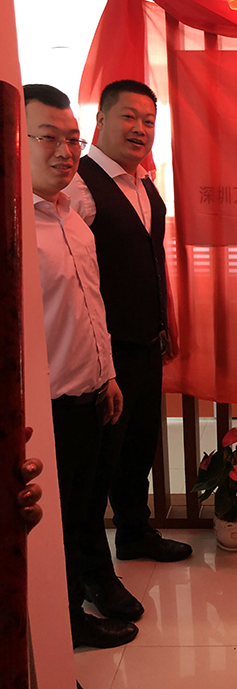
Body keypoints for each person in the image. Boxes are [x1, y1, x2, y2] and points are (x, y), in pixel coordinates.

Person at [64, 80, 191, 618]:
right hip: (102, 354)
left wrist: (164, 322)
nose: (140, 129)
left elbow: (148, 261)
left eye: (149, 121)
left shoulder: (143, 183)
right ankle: (93, 575)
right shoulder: (78, 186)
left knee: (138, 448)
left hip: (144, 343)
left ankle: (135, 533)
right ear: (100, 121)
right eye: (129, 117)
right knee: (98, 467)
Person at [25, 84, 137, 649]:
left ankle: (83, 600)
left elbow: (92, 306)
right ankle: (62, 625)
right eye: (48, 137)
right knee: (55, 524)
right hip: (46, 408)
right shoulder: (16, 227)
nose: (65, 152)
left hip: (91, 394)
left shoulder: (71, 219)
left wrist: (108, 375)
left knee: (85, 511)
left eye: (72, 139)